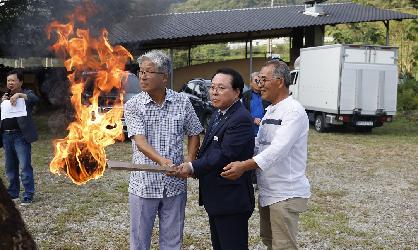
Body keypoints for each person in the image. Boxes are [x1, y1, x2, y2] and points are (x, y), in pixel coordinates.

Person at [221, 60, 311, 250]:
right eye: (258, 80)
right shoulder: (270, 110)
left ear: (279, 81)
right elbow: (259, 145)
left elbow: (277, 151)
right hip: (268, 191)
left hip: (285, 192)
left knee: (283, 246)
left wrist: (243, 166)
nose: (259, 85)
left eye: (263, 80)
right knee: (269, 241)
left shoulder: (293, 111)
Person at [124, 50, 203, 250]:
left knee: (172, 240)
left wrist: (190, 161)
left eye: (148, 72)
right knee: (140, 242)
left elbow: (194, 132)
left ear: (164, 77)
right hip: (144, 184)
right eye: (141, 71)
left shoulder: (182, 102)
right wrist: (161, 161)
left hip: (175, 183)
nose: (142, 76)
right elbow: (139, 140)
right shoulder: (133, 105)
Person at [176, 67, 255, 250]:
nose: (214, 92)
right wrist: (193, 164)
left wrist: (193, 166)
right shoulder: (219, 113)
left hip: (231, 200)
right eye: (212, 87)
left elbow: (224, 154)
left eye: (221, 88)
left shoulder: (240, 118)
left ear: (236, 92)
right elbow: (208, 150)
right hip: (218, 198)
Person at [0, 70, 39, 205]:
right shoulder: (4, 96)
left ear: (20, 82)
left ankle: (28, 194)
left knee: (24, 166)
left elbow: (35, 99)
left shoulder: (26, 94)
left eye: (13, 80)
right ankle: (13, 193)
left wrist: (19, 95)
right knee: (10, 167)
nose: (10, 83)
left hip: (20, 136)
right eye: (8, 81)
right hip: (6, 135)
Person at [242, 71, 270, 137]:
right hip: (251, 131)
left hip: (266, 131)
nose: (258, 83)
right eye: (256, 81)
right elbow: (242, 113)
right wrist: (253, 119)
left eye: (260, 81)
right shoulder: (246, 96)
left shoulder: (267, 94)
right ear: (251, 83)